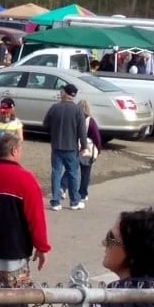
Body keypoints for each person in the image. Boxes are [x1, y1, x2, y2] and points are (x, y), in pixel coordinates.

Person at [0, 131, 50, 282]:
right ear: (14, 151)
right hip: (14, 255)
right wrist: (42, 247)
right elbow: (36, 218)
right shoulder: (26, 179)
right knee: (14, 296)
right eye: (21, 149)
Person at [44, 83, 87, 211]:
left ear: (64, 93)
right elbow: (82, 131)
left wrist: (54, 132)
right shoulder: (78, 110)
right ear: (73, 95)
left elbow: (45, 124)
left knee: (56, 173)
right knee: (73, 174)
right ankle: (74, 201)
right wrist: (84, 146)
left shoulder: (54, 108)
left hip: (56, 146)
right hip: (71, 147)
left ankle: (56, 201)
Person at [77, 98, 103, 206]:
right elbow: (97, 137)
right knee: (86, 172)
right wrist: (98, 149)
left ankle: (62, 188)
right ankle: (83, 194)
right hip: (87, 150)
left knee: (71, 171)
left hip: (75, 148)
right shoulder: (90, 121)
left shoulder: (75, 119)